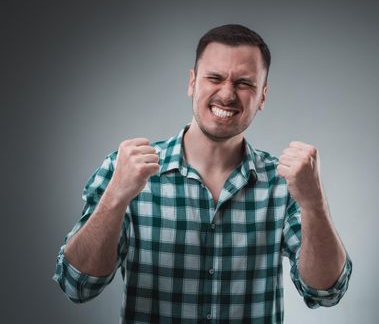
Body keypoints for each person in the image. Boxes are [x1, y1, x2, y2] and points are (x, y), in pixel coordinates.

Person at [53, 24, 352, 323]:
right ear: (193, 82)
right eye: (215, 78)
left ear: (262, 96)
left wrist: (315, 204)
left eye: (244, 83)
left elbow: (325, 292)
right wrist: (116, 197)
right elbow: (77, 285)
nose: (227, 94)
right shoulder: (126, 171)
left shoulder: (283, 184)